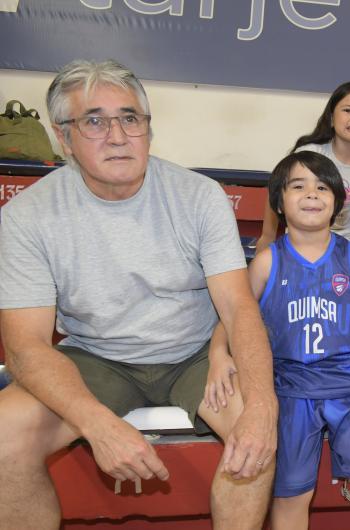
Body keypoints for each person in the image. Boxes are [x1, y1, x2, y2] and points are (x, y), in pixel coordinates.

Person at [0, 60, 277, 530]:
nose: (117, 135)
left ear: (148, 129)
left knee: (256, 436)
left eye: (130, 118)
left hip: (196, 357)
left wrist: (264, 405)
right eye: (93, 121)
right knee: (4, 436)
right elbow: (26, 347)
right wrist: (98, 424)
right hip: (96, 356)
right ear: (63, 138)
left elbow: (238, 306)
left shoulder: (199, 196)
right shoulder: (27, 217)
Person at [206, 151, 350, 530]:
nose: (311, 194)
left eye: (321, 187)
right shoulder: (267, 261)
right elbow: (233, 318)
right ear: (279, 202)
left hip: (349, 385)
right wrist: (218, 355)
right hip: (290, 388)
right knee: (292, 496)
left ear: (336, 203)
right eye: (298, 186)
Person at [255, 81, 350, 253]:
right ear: (332, 118)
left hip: (347, 238)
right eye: (348, 110)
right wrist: (267, 236)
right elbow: (276, 193)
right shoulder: (308, 154)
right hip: (304, 233)